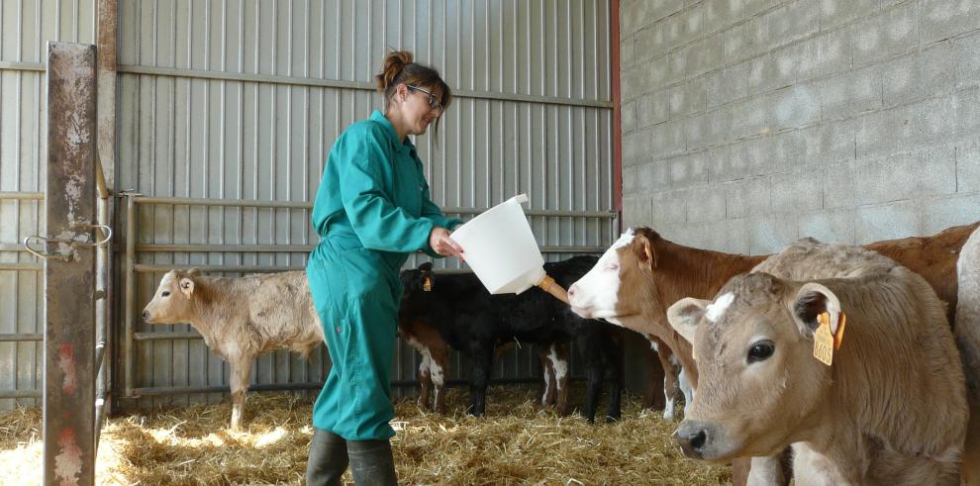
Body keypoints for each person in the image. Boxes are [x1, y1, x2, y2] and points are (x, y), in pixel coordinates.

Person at [305, 50, 465, 486]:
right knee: (366, 388)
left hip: (376, 276)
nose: (435, 112)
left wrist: (463, 233)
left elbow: (428, 213)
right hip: (349, 267)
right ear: (401, 92)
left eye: (439, 106)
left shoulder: (408, 158)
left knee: (350, 379)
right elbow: (368, 213)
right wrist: (427, 236)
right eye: (431, 100)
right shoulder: (364, 139)